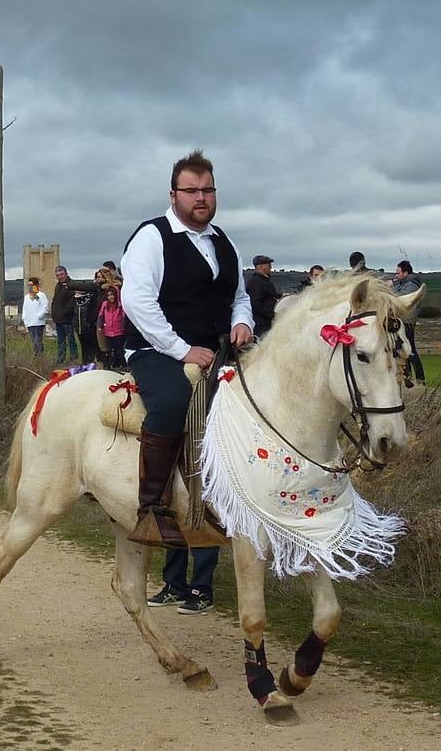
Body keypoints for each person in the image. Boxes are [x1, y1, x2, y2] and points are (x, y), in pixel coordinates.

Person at [120, 150, 253, 614]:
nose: (201, 198)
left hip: (216, 350)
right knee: (175, 403)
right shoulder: (152, 237)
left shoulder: (223, 241)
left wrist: (242, 324)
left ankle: (201, 572)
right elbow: (136, 300)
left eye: (208, 190)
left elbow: (238, 295)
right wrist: (180, 349)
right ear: (173, 194)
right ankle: (153, 507)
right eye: (192, 191)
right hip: (157, 350)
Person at [51, 266, 98, 364]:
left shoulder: (72, 285)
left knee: (71, 340)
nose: (60, 277)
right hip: (58, 319)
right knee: (60, 341)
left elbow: (73, 301)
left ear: (66, 273)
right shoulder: (58, 286)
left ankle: (74, 358)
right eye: (58, 275)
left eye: (61, 274)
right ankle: (61, 360)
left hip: (67, 319)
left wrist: (65, 312)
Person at [393, 260, 426, 385]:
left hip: (407, 321)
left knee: (410, 350)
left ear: (405, 273)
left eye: (398, 273)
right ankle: (407, 377)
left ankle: (420, 379)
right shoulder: (403, 283)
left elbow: (399, 297)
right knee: (403, 349)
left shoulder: (412, 285)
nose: (396, 275)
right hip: (403, 320)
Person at [245, 254, 281, 337]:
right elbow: (255, 303)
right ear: (261, 267)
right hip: (261, 324)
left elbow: (270, 295)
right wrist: (272, 314)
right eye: (269, 265)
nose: (271, 268)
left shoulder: (265, 280)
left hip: (267, 321)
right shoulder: (256, 282)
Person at [96, 285, 126, 370]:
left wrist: (123, 327)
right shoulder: (105, 304)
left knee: (120, 351)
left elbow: (124, 317)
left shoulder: (120, 305)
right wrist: (100, 325)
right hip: (108, 332)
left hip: (118, 332)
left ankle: (124, 366)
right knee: (110, 350)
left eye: (112, 295)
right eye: (108, 295)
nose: (110, 297)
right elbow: (101, 315)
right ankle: (112, 366)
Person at [21, 277, 49, 355]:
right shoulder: (27, 296)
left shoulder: (41, 295)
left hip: (38, 322)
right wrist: (24, 317)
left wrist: (39, 316)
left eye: (32, 285)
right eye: (28, 285)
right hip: (30, 322)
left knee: (38, 340)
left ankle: (41, 355)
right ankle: (36, 355)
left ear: (36, 285)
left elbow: (45, 307)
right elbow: (25, 308)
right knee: (33, 341)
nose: (30, 286)